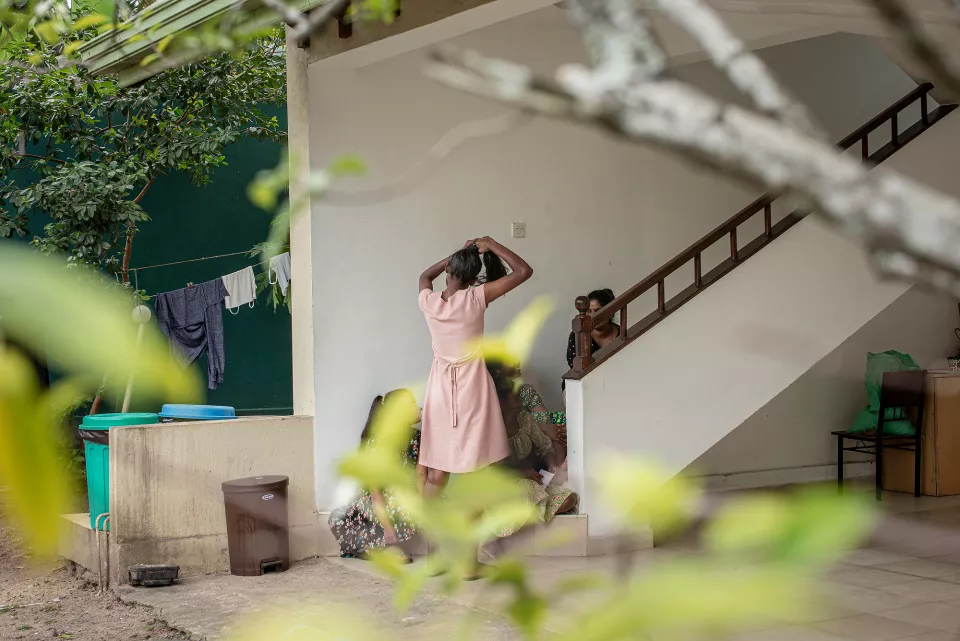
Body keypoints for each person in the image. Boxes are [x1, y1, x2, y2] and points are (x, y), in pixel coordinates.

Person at [417, 236, 533, 497]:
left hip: (440, 390)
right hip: (473, 388)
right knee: (480, 466)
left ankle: (431, 535)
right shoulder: (476, 297)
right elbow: (524, 271)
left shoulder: (429, 302)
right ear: (472, 278)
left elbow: (424, 276)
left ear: (448, 270)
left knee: (436, 473)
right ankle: (476, 532)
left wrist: (458, 256)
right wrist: (490, 244)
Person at [328, 389, 422, 562]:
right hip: (376, 502)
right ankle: (382, 548)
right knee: (340, 518)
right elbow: (375, 493)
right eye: (411, 404)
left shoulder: (416, 437)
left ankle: (382, 548)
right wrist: (387, 528)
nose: (418, 407)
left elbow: (419, 476)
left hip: (402, 497)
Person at [487, 362, 579, 539]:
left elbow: (545, 446)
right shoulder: (488, 427)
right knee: (525, 488)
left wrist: (550, 470)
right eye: (513, 396)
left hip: (532, 483)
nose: (518, 398)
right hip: (506, 485)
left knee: (570, 499)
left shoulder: (523, 417)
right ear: (501, 402)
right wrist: (522, 474)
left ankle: (523, 514)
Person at [565, 288, 621, 369]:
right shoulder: (577, 335)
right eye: (589, 311)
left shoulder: (621, 334)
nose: (593, 316)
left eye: (598, 310)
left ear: (611, 312)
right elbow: (575, 367)